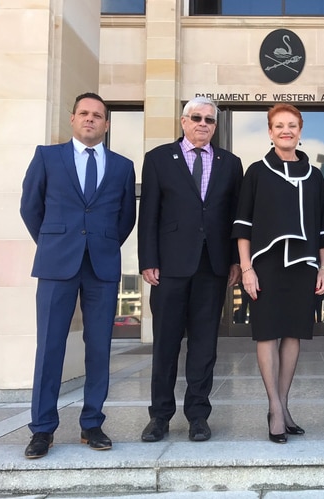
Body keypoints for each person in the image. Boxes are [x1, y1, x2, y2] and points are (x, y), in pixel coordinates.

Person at [20, 92, 137, 459]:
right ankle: (42, 429)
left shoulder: (122, 166)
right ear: (73, 119)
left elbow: (125, 218)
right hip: (57, 265)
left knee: (99, 348)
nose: (90, 119)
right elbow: (30, 207)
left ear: (106, 124)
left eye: (98, 115)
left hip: (101, 266)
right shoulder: (47, 157)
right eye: (84, 113)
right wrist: (55, 242)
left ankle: (92, 423)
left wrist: (102, 244)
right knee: (49, 347)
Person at [138, 97, 243, 443]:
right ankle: (160, 417)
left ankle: (198, 414)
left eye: (209, 120)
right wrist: (147, 260)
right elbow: (149, 214)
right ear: (183, 122)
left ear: (215, 126)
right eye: (196, 118)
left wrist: (233, 261)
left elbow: (233, 219)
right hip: (168, 267)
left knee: (204, 346)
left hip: (211, 267)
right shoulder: (157, 160)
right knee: (165, 345)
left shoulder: (230, 163)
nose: (203, 124)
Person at [232, 103, 324, 444]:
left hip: (303, 267)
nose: (286, 130)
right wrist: (247, 269)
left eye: (292, 125)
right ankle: (274, 407)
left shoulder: (315, 175)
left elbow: (323, 228)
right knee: (267, 335)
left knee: (293, 335)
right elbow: (242, 225)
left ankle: (284, 405)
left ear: (300, 131)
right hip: (265, 266)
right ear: (270, 132)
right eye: (279, 125)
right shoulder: (256, 172)